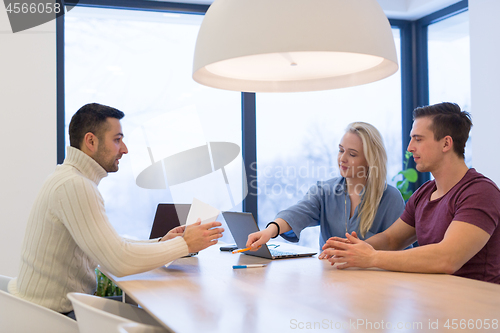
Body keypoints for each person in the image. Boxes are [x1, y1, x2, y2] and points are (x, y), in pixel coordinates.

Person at [8, 103, 224, 316]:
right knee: (159, 322)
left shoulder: (68, 178)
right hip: (54, 316)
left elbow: (109, 246)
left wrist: (162, 243)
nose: (125, 149)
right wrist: (184, 244)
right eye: (117, 139)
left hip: (46, 308)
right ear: (91, 141)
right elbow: (118, 260)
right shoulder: (75, 185)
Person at [320, 102, 500, 284]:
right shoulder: (424, 193)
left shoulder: (480, 193)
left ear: (446, 143)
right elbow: (391, 239)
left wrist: (372, 258)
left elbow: (447, 258)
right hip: (436, 301)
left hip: (477, 306)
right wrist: (348, 251)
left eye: (418, 139)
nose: (410, 147)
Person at [246, 122, 405, 251]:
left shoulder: (390, 198)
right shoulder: (324, 191)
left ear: (370, 160)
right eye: (341, 150)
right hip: (330, 278)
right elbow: (298, 212)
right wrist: (270, 231)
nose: (342, 158)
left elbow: (400, 247)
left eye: (352, 154)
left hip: (374, 282)